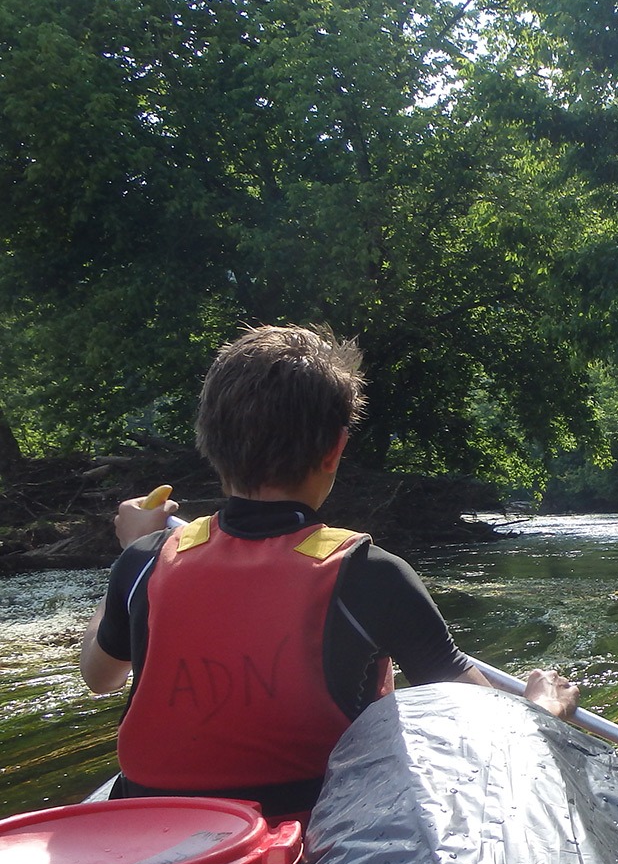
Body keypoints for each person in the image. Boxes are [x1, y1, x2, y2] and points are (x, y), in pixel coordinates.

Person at [79, 325, 578, 821]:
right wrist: (540, 711)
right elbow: (484, 726)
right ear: (335, 449)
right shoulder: (371, 574)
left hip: (156, 830)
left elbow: (99, 677)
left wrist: (127, 554)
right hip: (318, 834)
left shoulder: (147, 557)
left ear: (210, 440)